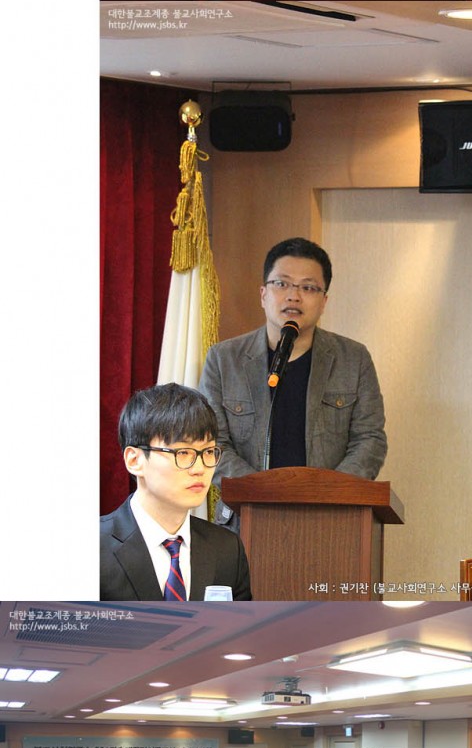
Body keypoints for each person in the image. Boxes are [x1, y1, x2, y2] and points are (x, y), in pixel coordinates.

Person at [197, 233, 388, 475]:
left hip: (330, 499)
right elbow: (211, 444)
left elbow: (369, 440)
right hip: (248, 499)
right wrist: (259, 491)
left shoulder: (354, 359)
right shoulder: (224, 359)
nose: (293, 296)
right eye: (281, 284)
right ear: (263, 295)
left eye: (308, 287)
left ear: (323, 302)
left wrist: (329, 492)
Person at [99, 383, 252, 598]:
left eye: (208, 452)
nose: (200, 468)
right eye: (183, 452)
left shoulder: (227, 549)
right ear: (135, 460)